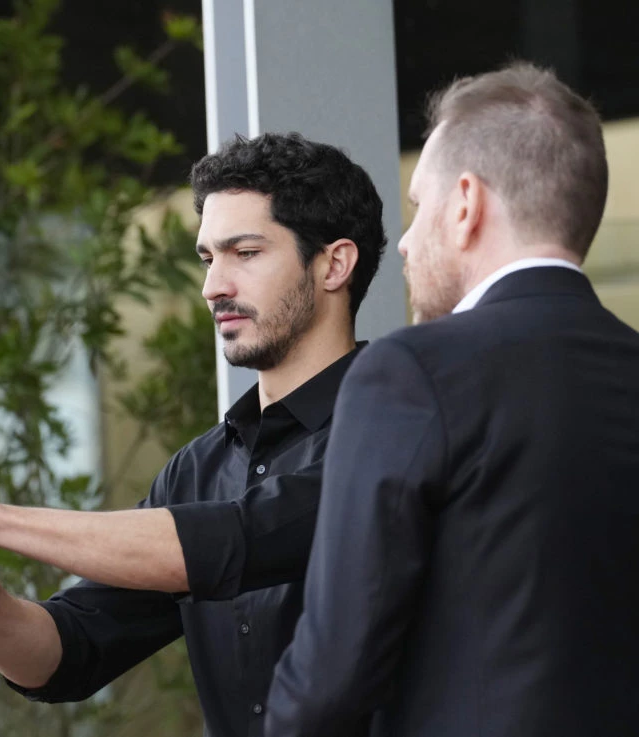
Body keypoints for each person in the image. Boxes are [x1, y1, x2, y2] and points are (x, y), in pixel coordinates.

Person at [0, 131, 388, 737]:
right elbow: (67, 655)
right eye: (208, 259)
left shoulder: (398, 433)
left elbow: (232, 539)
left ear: (334, 264)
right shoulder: (200, 469)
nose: (213, 287)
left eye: (245, 252)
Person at [265, 62, 639, 737]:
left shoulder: (409, 372)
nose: (406, 243)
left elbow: (331, 678)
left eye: (417, 207)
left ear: (465, 204)